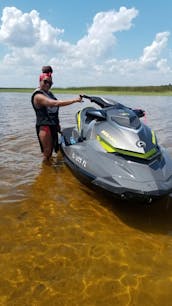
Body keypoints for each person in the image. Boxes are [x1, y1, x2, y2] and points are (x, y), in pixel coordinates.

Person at [31, 66, 82, 161]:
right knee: (47, 154)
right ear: (40, 81)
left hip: (53, 125)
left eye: (50, 83)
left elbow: (55, 110)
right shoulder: (38, 96)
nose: (48, 84)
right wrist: (75, 100)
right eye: (45, 82)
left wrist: (58, 124)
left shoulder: (50, 94)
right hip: (44, 127)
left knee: (55, 150)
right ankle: (46, 173)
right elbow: (55, 103)